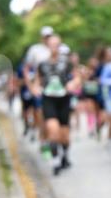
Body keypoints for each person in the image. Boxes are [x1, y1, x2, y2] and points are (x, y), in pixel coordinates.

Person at [32, 37, 80, 175]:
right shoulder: (42, 64)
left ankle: (64, 155)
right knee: (53, 131)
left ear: (59, 46)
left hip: (64, 100)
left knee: (64, 136)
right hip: (49, 100)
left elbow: (77, 77)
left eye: (56, 45)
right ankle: (55, 161)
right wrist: (36, 88)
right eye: (51, 45)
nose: (54, 47)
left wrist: (73, 83)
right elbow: (37, 81)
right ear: (48, 46)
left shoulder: (67, 62)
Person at [24, 26, 55, 155]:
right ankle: (44, 143)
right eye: (45, 36)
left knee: (53, 120)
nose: (48, 39)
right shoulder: (35, 50)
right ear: (41, 37)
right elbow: (26, 68)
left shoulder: (57, 48)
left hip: (55, 90)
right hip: (41, 89)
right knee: (42, 117)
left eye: (50, 36)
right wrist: (31, 87)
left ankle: (53, 143)